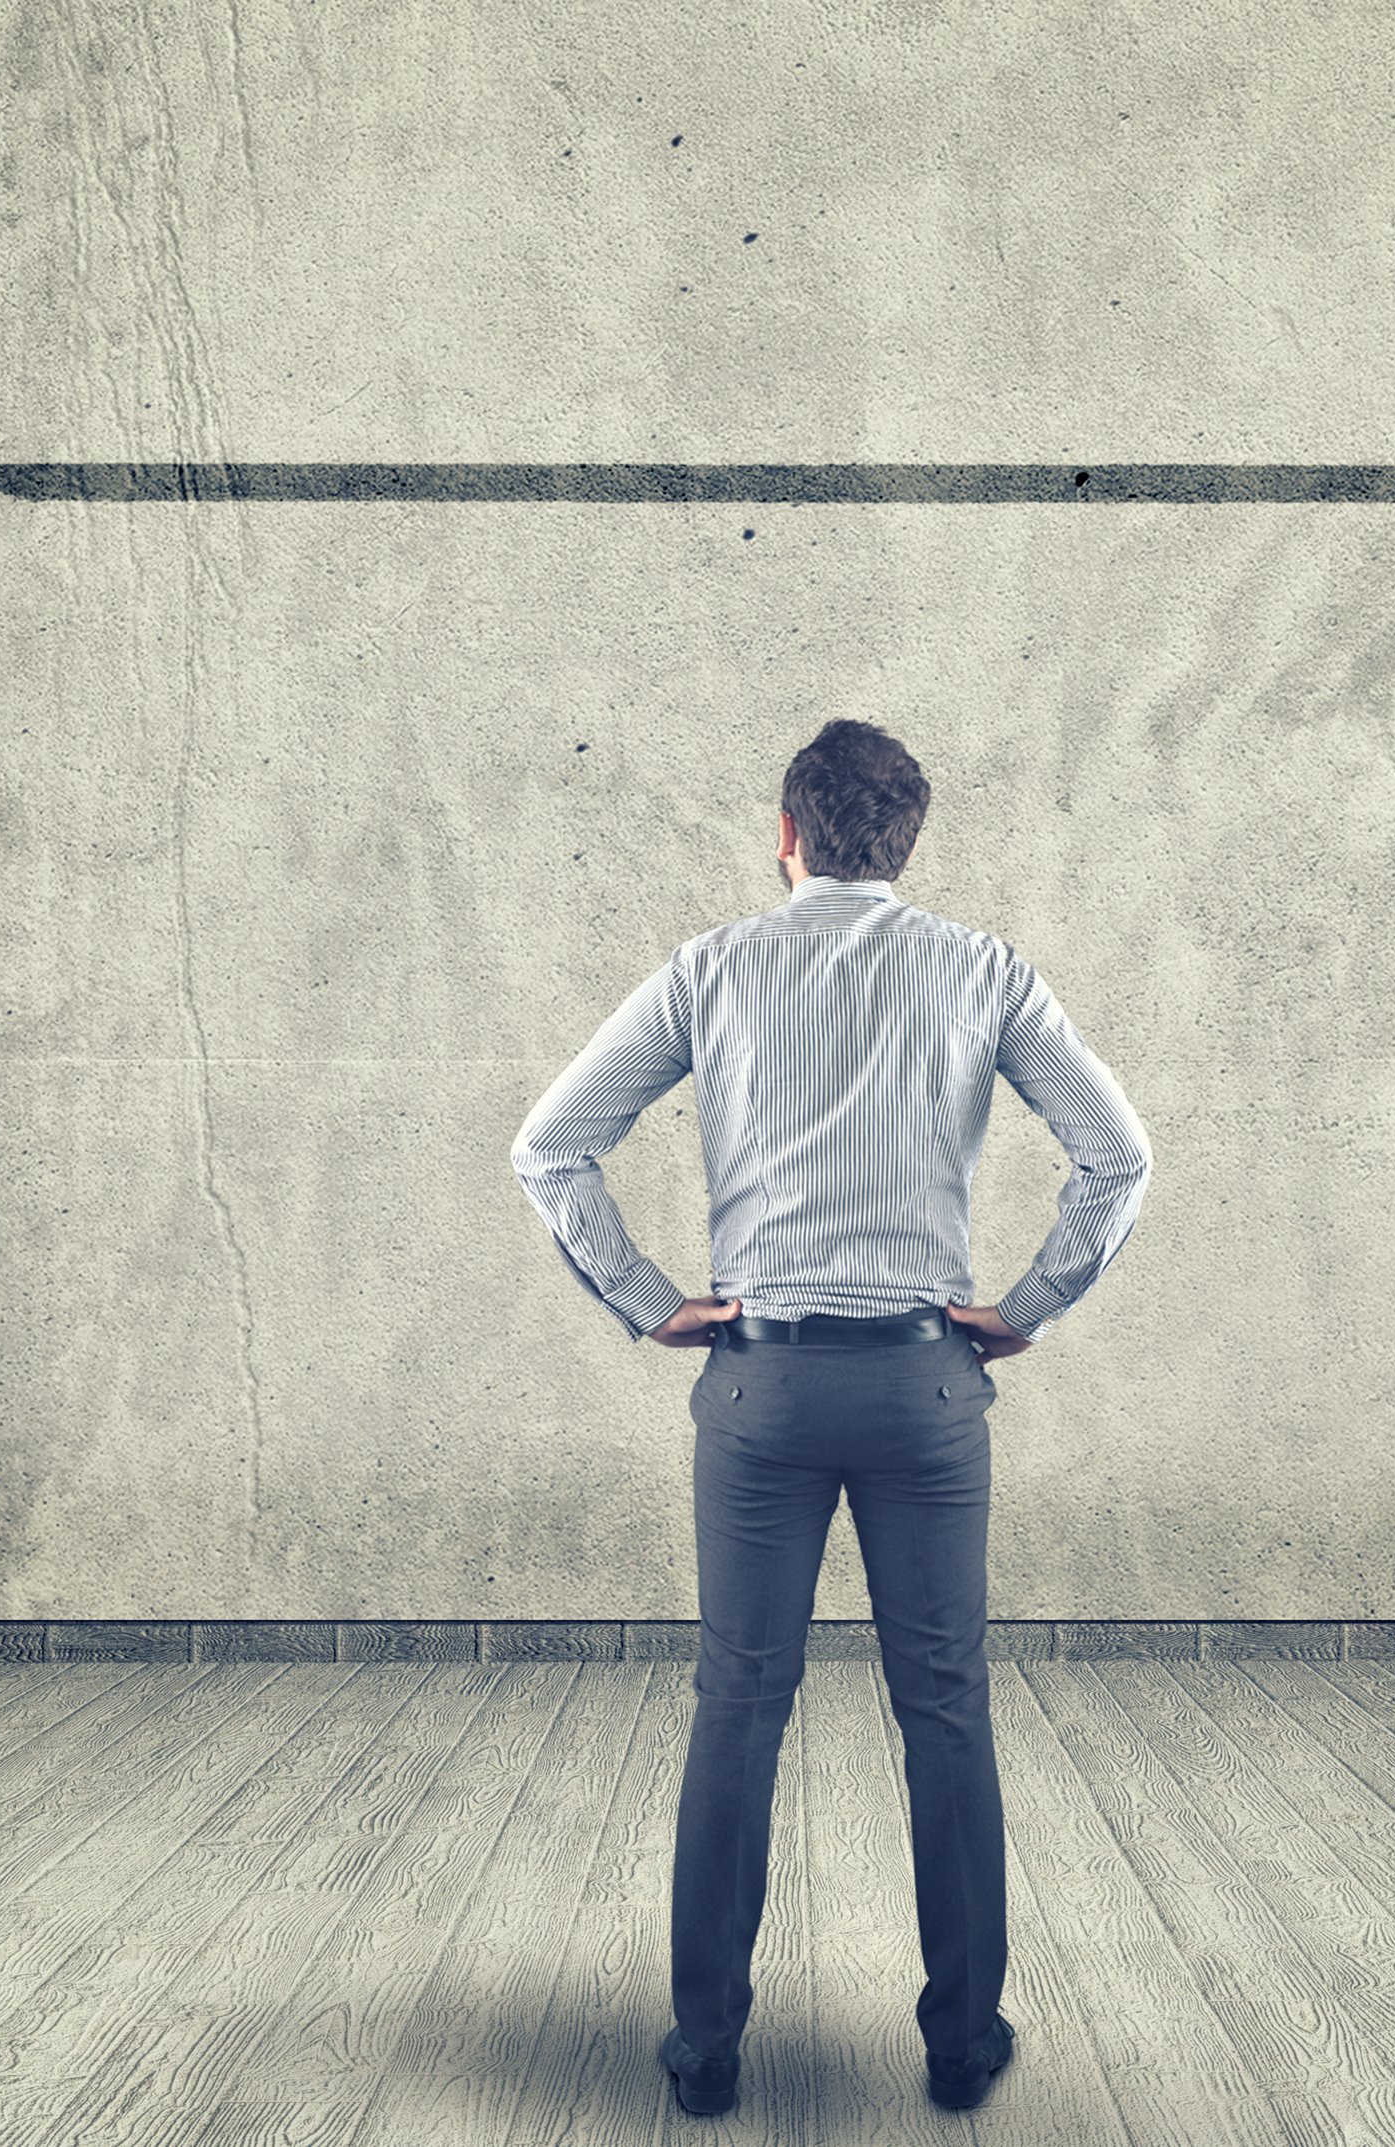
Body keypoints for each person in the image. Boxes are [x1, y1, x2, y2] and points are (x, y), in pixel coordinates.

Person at [509, 717, 1152, 2117]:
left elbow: (549, 1142)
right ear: (902, 843)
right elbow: (1120, 1154)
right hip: (928, 1385)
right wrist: (1028, 1304)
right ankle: (964, 2046)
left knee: (737, 1708)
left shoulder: (709, 971)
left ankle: (704, 2055)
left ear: (785, 835)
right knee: (948, 1713)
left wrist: (648, 1298)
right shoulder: (985, 972)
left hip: (760, 1385)